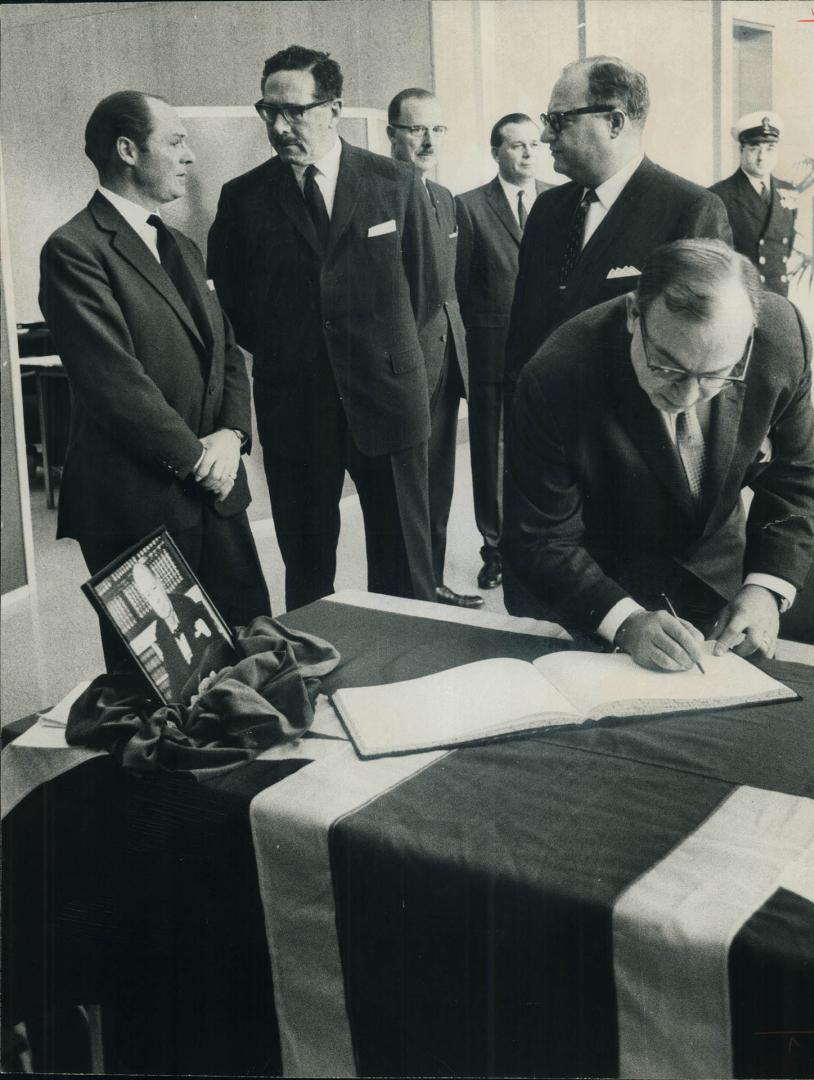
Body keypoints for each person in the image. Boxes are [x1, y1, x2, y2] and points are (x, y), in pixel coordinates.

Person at [504, 239, 814, 671]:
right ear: (634, 315)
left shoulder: (781, 340)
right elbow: (543, 538)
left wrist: (766, 588)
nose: (689, 395)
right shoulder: (557, 376)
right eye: (667, 368)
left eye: (716, 375)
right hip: (596, 590)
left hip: (717, 573)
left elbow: (797, 476)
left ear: (750, 335)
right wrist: (624, 622)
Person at [39, 90, 271, 671]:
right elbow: (115, 384)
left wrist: (232, 439)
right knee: (163, 686)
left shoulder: (183, 246)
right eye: (175, 141)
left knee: (250, 660)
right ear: (127, 150)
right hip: (138, 502)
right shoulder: (75, 250)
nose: (189, 156)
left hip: (215, 491)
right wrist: (199, 459)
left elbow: (226, 353)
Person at [208, 48, 437, 611]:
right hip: (296, 402)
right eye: (268, 111)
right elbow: (234, 304)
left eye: (295, 111)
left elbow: (428, 287)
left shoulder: (396, 183)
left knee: (404, 562)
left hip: (387, 397)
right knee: (308, 565)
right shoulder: (242, 198)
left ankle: (409, 682)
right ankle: (315, 670)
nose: (279, 126)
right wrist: (299, 351)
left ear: (332, 108)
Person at [505, 55, 733, 397]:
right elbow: (523, 332)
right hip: (543, 430)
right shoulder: (547, 208)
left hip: (626, 436)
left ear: (614, 122)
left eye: (559, 119)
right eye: (547, 120)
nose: (546, 135)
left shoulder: (690, 210)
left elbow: (700, 351)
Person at [387, 88, 482, 608]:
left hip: (447, 359)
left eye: (437, 130)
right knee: (410, 490)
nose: (427, 140)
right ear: (392, 135)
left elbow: (454, 285)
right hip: (405, 368)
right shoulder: (379, 195)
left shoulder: (445, 198)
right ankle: (415, 593)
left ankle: (434, 582)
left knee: (440, 479)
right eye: (416, 129)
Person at [455, 113, 552, 590]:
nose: (529, 153)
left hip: (552, 354)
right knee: (491, 456)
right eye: (517, 145)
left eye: (534, 144)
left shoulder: (563, 199)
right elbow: (459, 289)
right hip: (493, 355)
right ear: (496, 152)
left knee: (549, 453)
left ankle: (545, 547)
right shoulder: (469, 207)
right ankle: (495, 551)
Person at [710, 111, 796, 297]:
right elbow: (716, 258)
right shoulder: (719, 195)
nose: (762, 157)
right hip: (739, 294)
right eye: (754, 148)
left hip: (779, 293)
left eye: (770, 148)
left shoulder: (788, 191)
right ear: (741, 150)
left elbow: (785, 248)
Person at [132, 561, 219, 699]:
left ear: (160, 582)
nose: (156, 600)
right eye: (148, 595)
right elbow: (174, 678)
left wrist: (210, 678)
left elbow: (217, 645)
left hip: (214, 679)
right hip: (195, 694)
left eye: (154, 589)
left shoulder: (186, 604)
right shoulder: (160, 631)